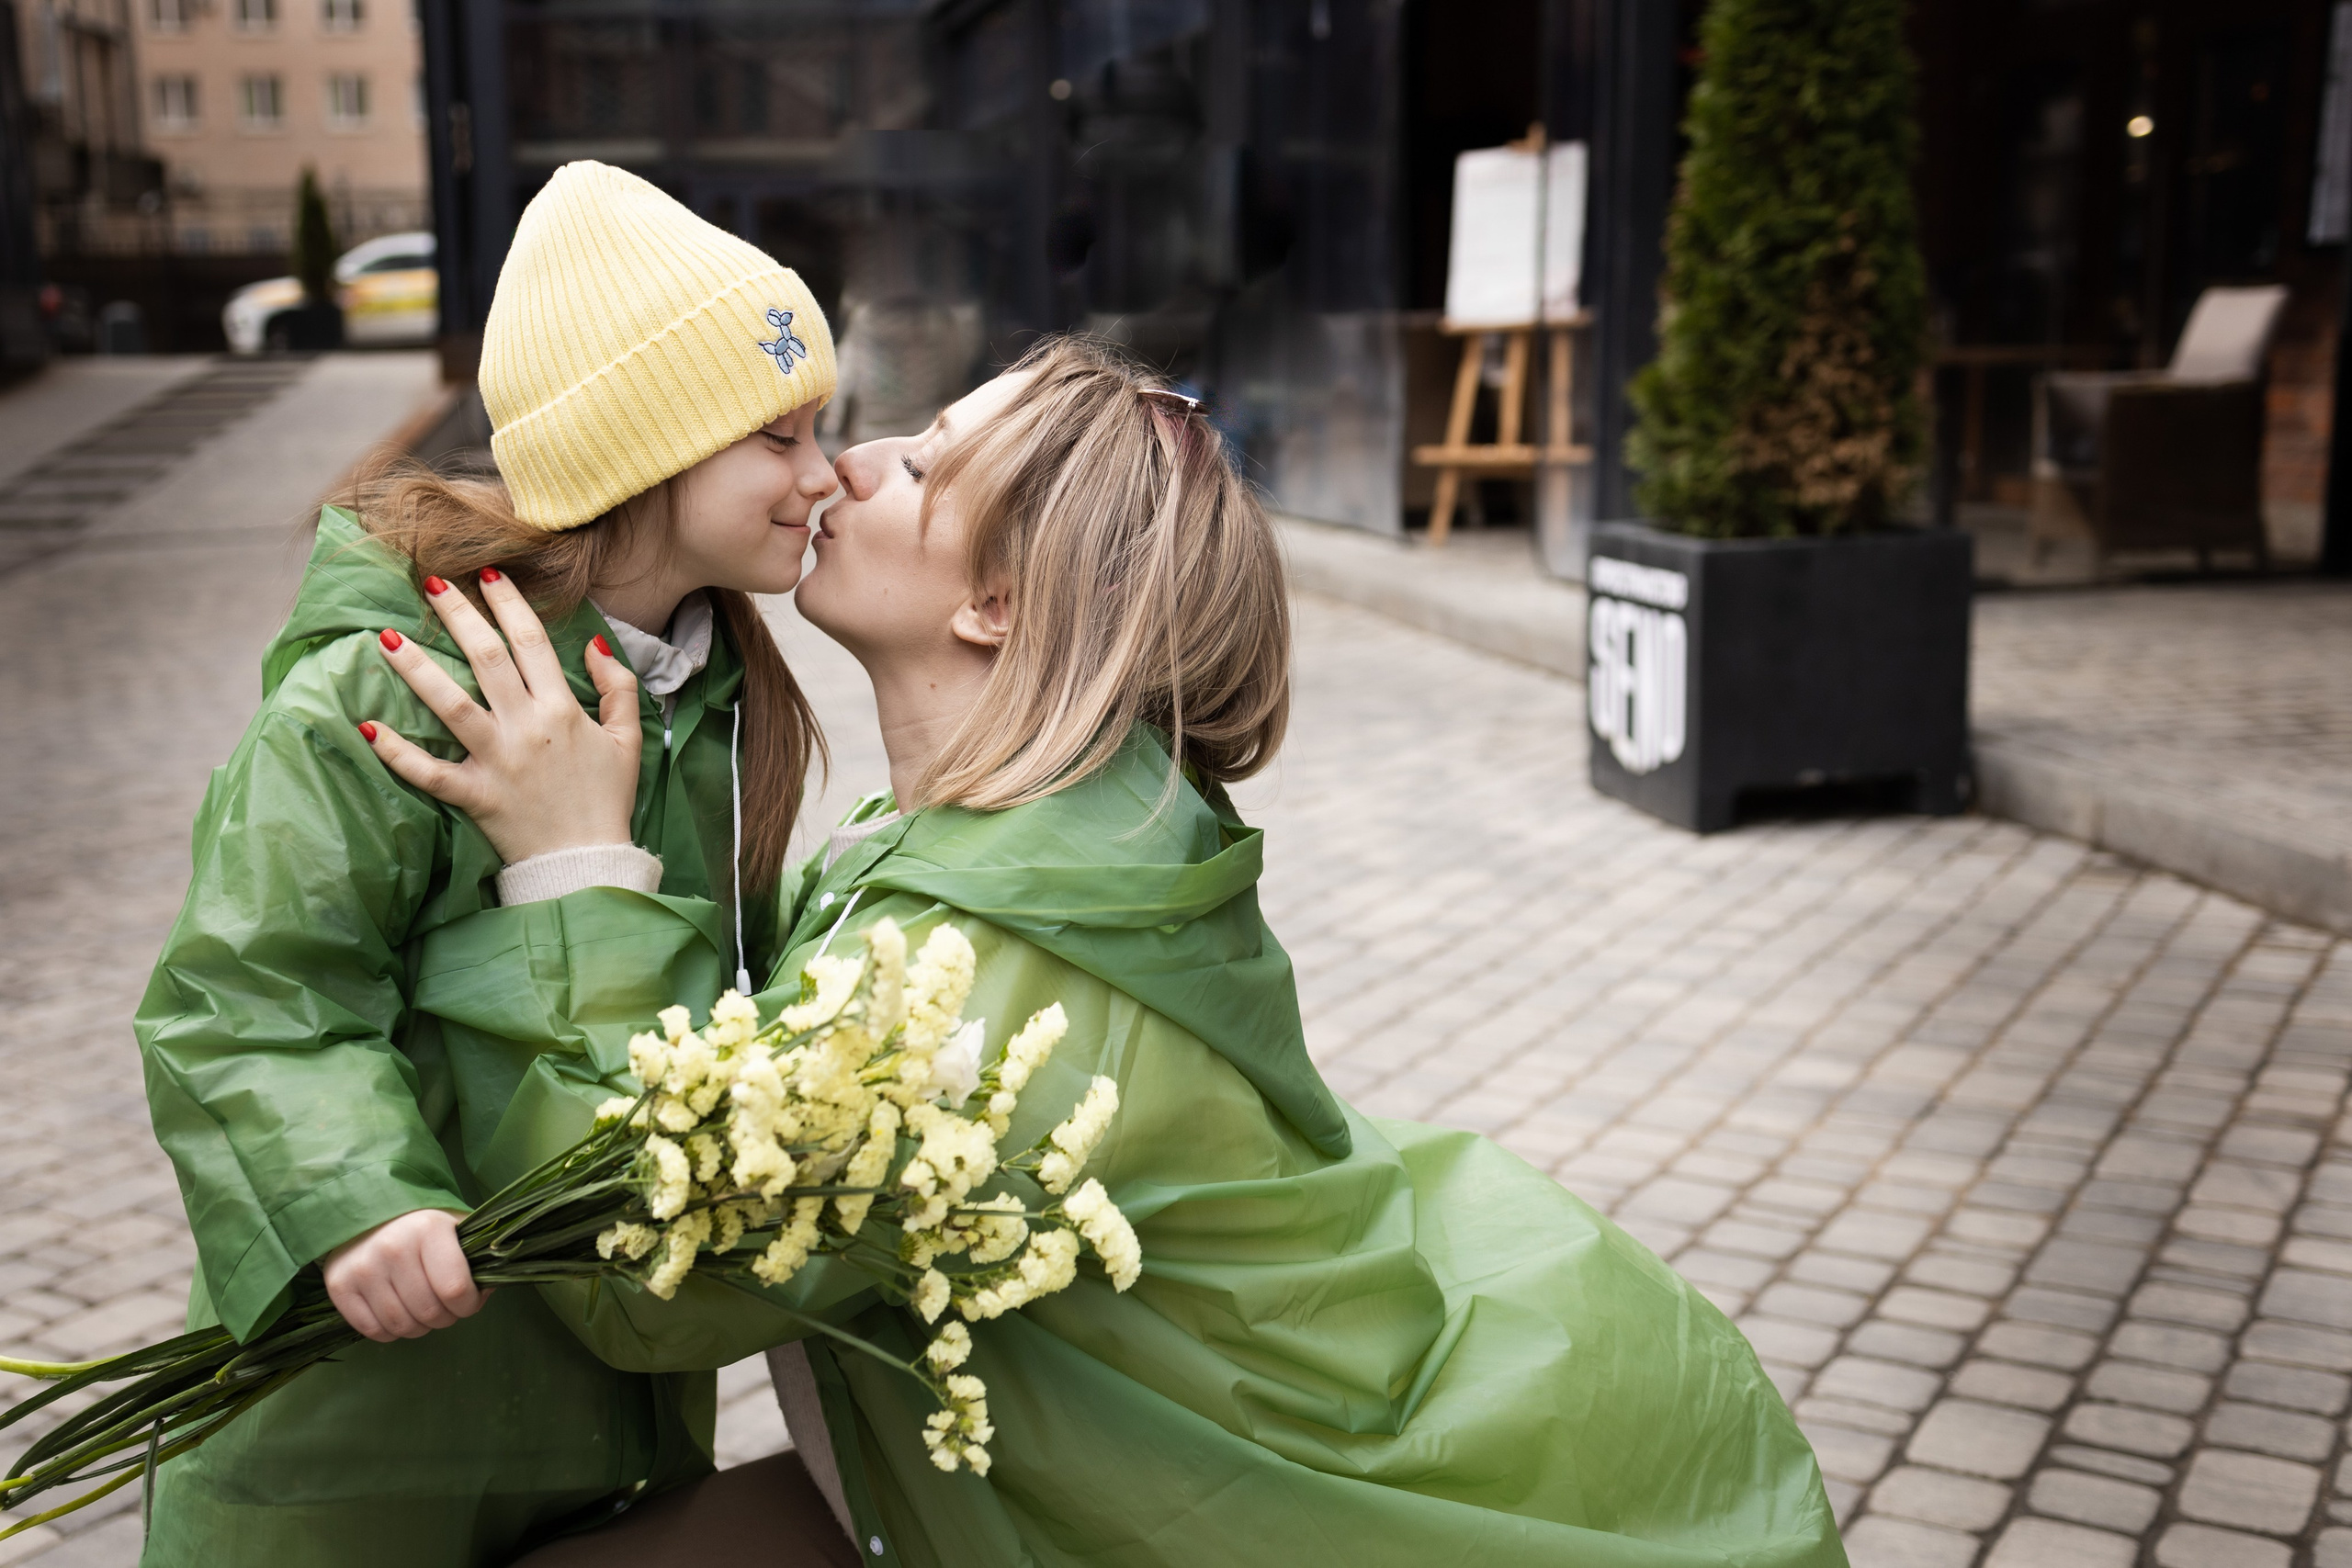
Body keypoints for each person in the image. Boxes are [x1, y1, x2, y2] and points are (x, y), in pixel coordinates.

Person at [363, 336, 1848, 1567]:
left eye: (928, 463)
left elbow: (660, 1286)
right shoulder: (1074, 823)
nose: (855, 466)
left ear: (994, 605)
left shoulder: (985, 970)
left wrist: (572, 870)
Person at [133, 160, 847, 1566]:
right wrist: (358, 1199)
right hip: (358, 1444)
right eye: (778, 434)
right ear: (645, 448)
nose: (821, 474)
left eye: (824, 428)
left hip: (596, 1429)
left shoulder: (713, 695)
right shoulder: (397, 685)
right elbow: (244, 993)